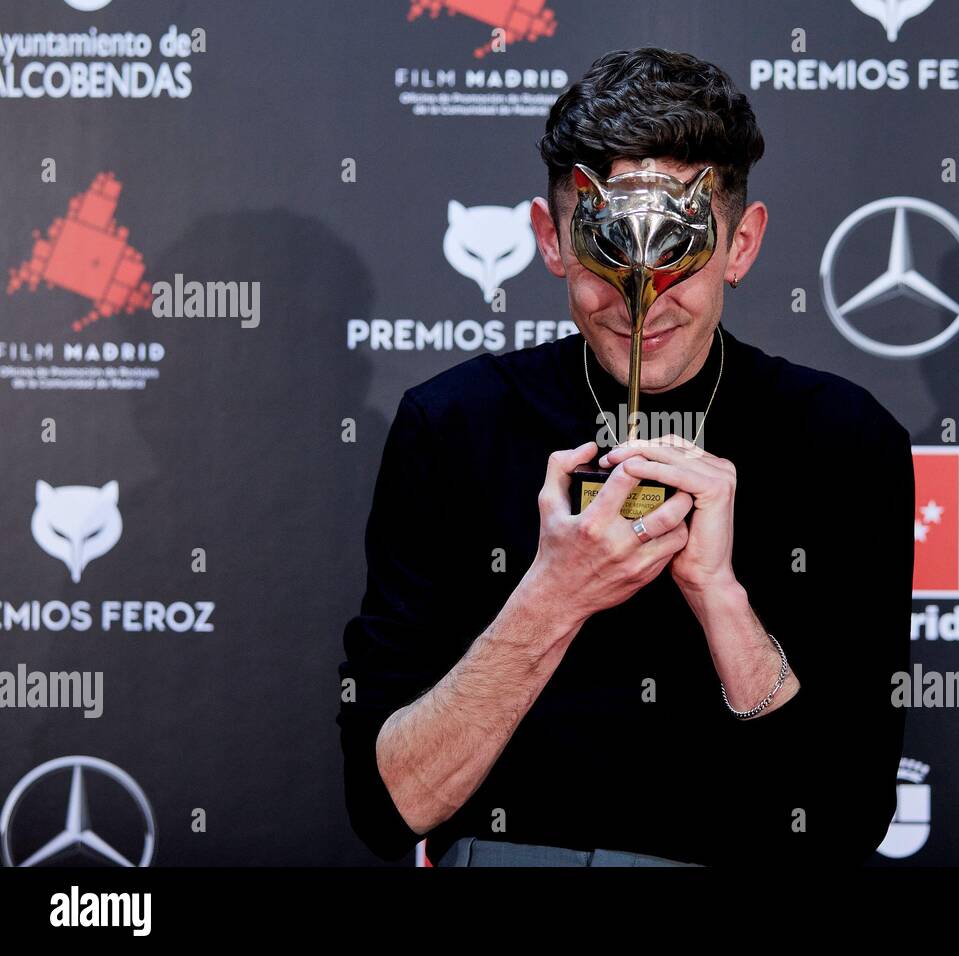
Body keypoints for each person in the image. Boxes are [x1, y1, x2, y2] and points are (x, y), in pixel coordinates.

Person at [337, 47, 914, 867]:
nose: (643, 299)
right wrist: (554, 596)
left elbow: (845, 818)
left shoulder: (845, 440)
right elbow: (388, 808)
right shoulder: (453, 424)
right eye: (606, 250)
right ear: (552, 238)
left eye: (680, 252)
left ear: (740, 244)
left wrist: (719, 596)